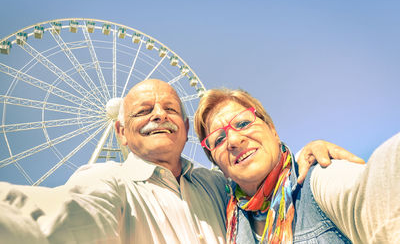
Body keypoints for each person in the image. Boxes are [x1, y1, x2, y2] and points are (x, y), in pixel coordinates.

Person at [0, 80, 362, 243]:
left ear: (187, 130)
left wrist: (310, 151)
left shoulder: (222, 187)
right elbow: (69, 217)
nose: (159, 114)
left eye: (170, 108)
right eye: (144, 111)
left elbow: (268, 174)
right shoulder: (107, 182)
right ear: (121, 133)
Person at [194, 87, 400, 244]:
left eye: (243, 123)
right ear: (217, 164)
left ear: (273, 130)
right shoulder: (228, 221)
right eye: (218, 139)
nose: (233, 140)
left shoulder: (318, 179)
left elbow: (382, 189)